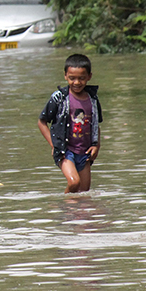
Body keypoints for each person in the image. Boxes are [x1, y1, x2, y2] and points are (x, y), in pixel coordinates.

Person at [37, 54, 103, 194]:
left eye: (81, 78)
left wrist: (96, 145)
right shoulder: (59, 98)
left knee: (84, 191)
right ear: (65, 76)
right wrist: (54, 145)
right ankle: (63, 206)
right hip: (65, 151)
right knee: (74, 182)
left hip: (84, 151)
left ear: (89, 76)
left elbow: (96, 124)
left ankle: (75, 214)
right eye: (72, 78)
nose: (77, 82)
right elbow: (42, 122)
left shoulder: (93, 99)